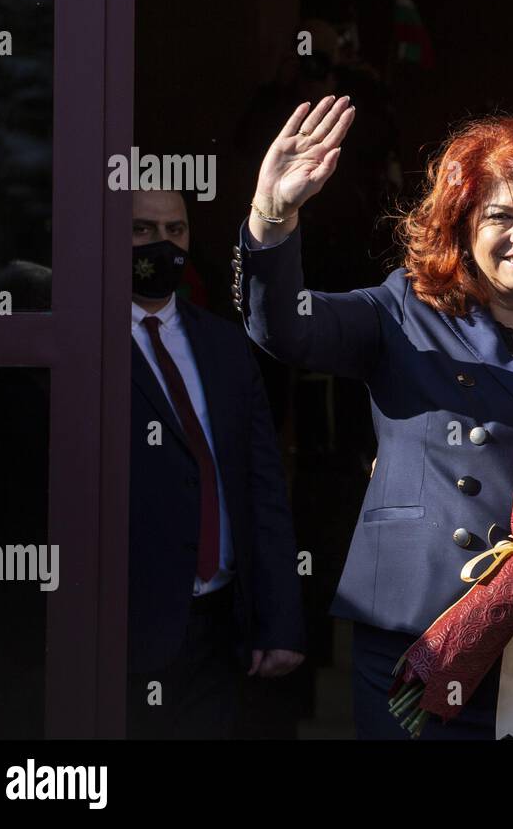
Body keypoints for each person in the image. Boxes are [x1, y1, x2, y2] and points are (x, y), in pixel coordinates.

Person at [234, 95, 513, 739]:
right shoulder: (401, 309)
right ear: (460, 224)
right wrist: (273, 218)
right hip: (419, 632)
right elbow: (285, 329)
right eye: (498, 215)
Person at [128, 188, 305, 739]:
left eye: (175, 231)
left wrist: (279, 620)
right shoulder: (83, 346)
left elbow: (262, 486)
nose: (163, 244)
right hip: (125, 634)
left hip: (220, 630)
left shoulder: (225, 346)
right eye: (142, 230)